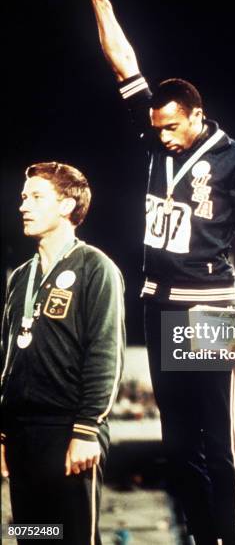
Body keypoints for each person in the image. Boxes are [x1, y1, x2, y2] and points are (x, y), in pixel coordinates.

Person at [75, 0, 235, 544]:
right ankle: (198, 535)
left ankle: (232, 536)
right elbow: (122, 64)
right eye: (155, 128)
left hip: (213, 307)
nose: (159, 137)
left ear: (197, 117)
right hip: (158, 305)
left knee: (220, 438)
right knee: (178, 441)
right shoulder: (156, 133)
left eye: (170, 129)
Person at [1, 162, 125, 545]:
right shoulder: (20, 277)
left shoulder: (96, 267)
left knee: (72, 538)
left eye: (37, 197)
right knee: (32, 535)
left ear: (67, 206)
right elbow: (7, 358)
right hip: (22, 435)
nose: (24, 206)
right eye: (24, 197)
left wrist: (87, 429)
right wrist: (3, 433)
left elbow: (106, 353)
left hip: (70, 430)